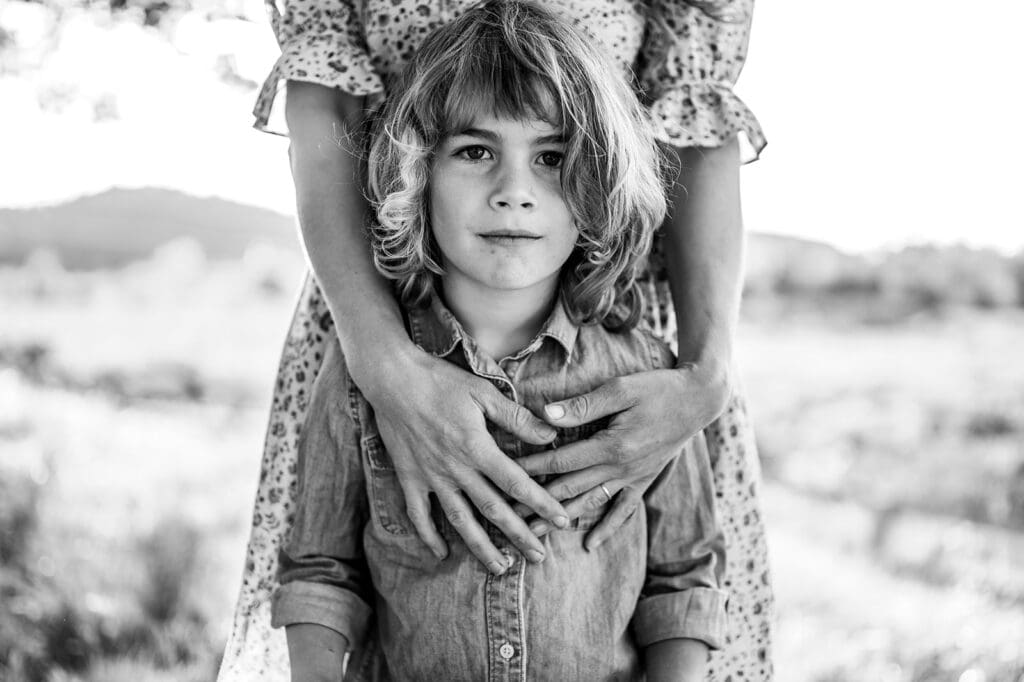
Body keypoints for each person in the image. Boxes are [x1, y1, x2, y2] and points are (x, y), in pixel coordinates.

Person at [219, 0, 772, 680]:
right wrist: (379, 356)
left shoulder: (643, 376)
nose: (514, 191)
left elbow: (683, 580)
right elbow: (321, 570)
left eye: (553, 157)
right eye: (476, 152)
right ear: (415, 172)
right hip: (370, 312)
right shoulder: (357, 377)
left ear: (599, 181)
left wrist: (706, 375)